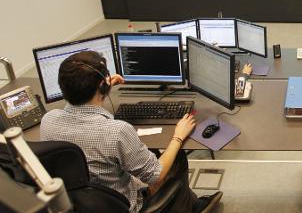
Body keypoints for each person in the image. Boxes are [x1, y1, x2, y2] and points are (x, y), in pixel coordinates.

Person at [40, 51, 222, 213]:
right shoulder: (117, 131)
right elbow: (155, 175)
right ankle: (188, 206)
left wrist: (102, 87)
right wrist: (178, 136)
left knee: (149, 154)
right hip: (125, 205)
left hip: (85, 203)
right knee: (176, 155)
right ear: (102, 87)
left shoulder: (48, 121)